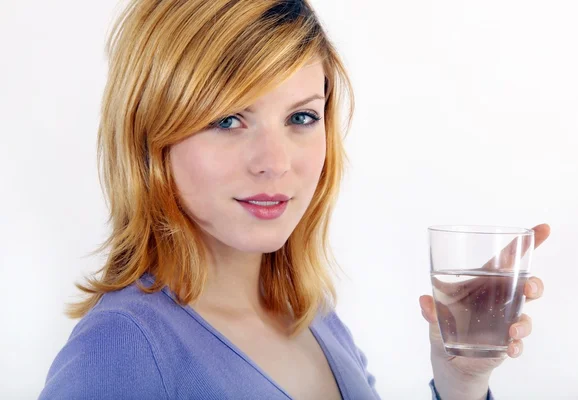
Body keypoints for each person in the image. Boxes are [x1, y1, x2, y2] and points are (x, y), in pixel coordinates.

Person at [39, 0, 549, 399]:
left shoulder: (311, 314)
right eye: (228, 120)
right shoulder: (121, 352)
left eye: (301, 118)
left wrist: (460, 384)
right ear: (151, 134)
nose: (275, 162)